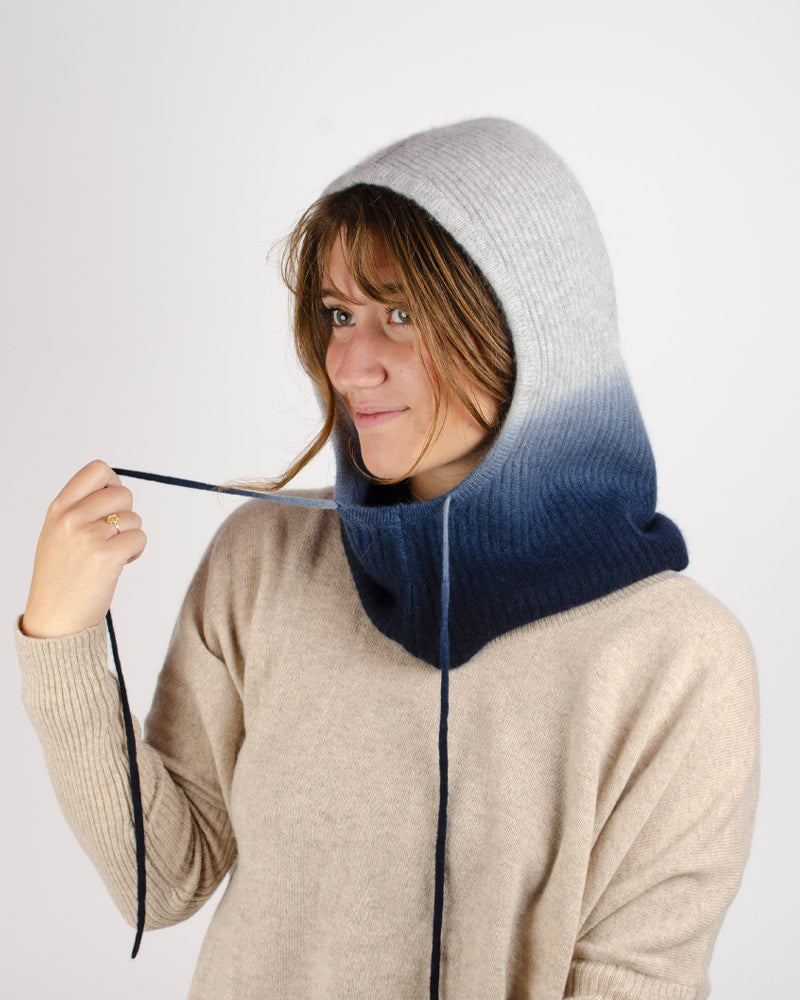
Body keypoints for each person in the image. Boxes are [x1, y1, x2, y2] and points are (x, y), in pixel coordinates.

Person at [17, 118, 758, 999]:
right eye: (339, 314)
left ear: (536, 328)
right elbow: (164, 879)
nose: (347, 363)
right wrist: (62, 637)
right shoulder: (265, 561)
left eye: (401, 314)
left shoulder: (678, 657)